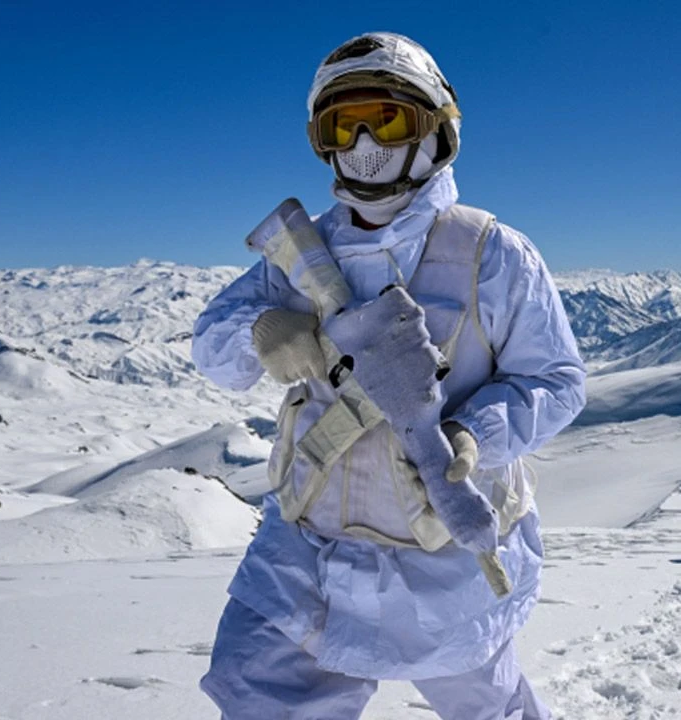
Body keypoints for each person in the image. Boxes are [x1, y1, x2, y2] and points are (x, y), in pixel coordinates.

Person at [191, 32, 586, 720]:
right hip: (309, 543)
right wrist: (260, 331)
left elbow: (555, 380)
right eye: (345, 123)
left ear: (437, 128)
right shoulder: (297, 253)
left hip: (445, 553)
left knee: (486, 705)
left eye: (389, 118)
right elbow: (211, 349)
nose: (366, 140)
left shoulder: (491, 253)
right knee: (258, 694)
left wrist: (473, 437)